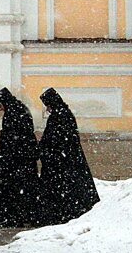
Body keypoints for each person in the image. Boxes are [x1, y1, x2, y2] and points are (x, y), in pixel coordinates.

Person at [38, 87, 100, 224]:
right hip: (66, 160)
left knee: (63, 190)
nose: (47, 109)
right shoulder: (64, 113)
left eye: (47, 105)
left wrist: (44, 149)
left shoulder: (59, 116)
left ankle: (62, 214)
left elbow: (54, 138)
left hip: (61, 162)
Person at [0, 87, 46, 227]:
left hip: (17, 160)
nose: (0, 108)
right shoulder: (19, 109)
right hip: (23, 158)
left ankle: (16, 218)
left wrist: (5, 154)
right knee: (25, 188)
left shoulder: (13, 112)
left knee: (16, 189)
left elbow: (13, 137)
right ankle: (26, 216)